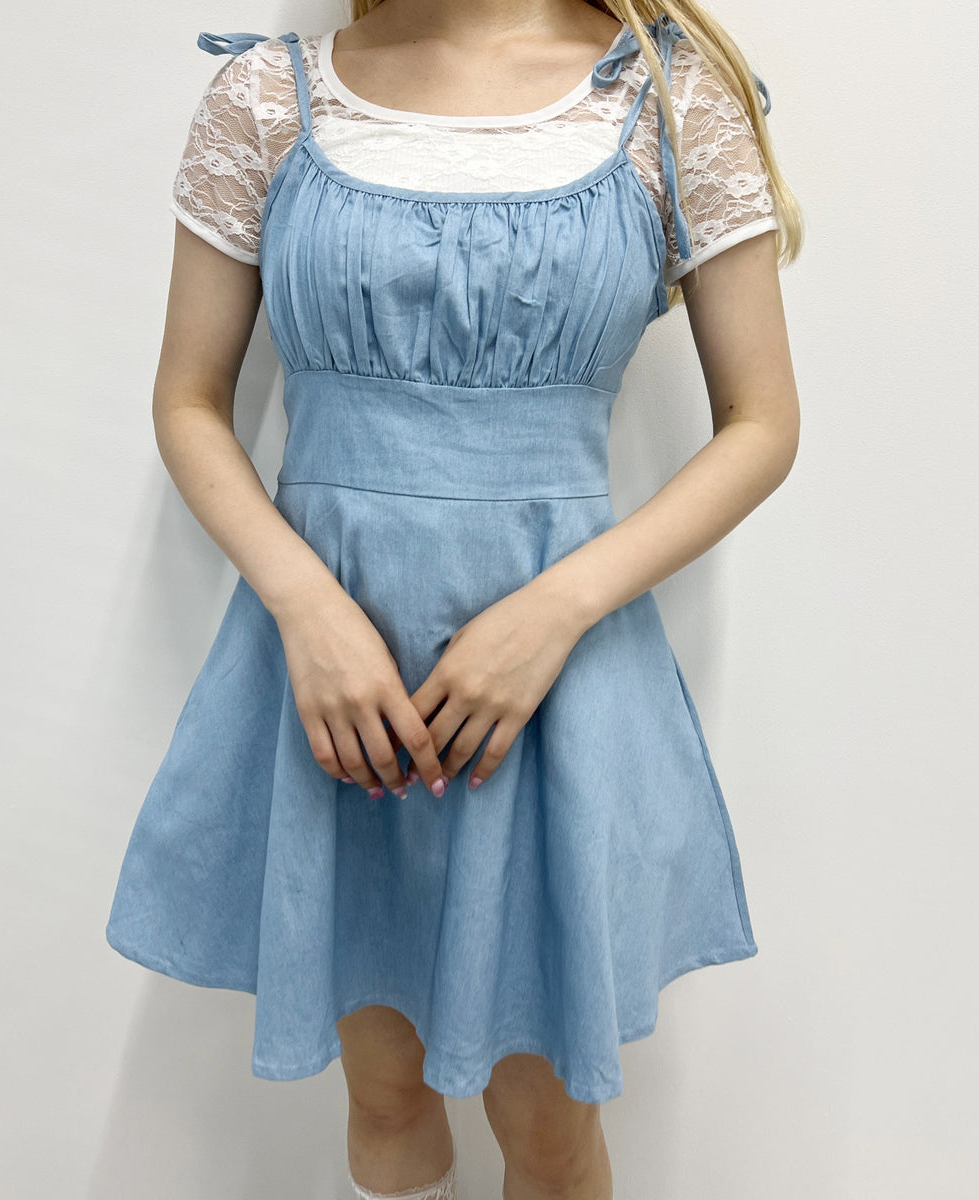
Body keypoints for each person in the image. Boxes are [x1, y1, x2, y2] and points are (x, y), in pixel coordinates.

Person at [105, 1, 802, 1196]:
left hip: (556, 683)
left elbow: (763, 425)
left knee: (547, 1134)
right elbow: (187, 400)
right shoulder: (267, 98)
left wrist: (554, 612)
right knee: (382, 1101)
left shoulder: (667, 97)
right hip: (330, 683)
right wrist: (306, 608)